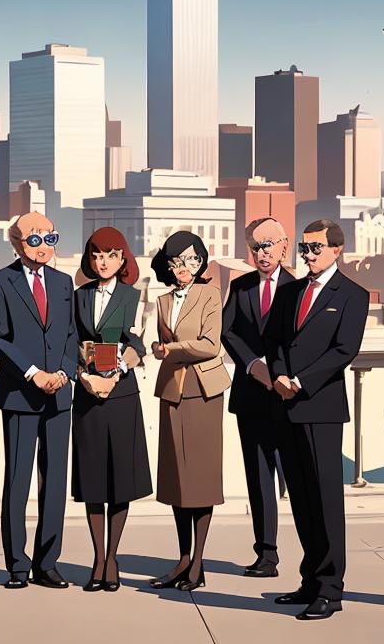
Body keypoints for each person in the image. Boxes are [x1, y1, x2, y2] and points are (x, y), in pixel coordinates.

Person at [263, 219, 368, 621]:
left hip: (320, 408)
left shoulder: (352, 295)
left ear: (337, 250)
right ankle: (309, 580)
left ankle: (330, 588)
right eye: (304, 248)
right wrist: (278, 376)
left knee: (325, 501)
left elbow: (345, 350)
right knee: (302, 499)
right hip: (284, 404)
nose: (308, 255)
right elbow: (272, 339)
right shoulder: (290, 291)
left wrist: (300, 382)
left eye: (316, 248)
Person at [0, 211, 79, 590]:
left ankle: (48, 563)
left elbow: (71, 333)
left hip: (59, 394)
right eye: (34, 239)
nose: (43, 247)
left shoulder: (63, 282)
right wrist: (32, 373)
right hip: (20, 394)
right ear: (16, 242)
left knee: (54, 481)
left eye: (49, 239)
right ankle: (17, 566)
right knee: (18, 481)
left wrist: (64, 372)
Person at [148, 230, 232, 593]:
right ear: (168, 265)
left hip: (204, 390)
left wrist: (171, 348)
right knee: (176, 480)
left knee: (201, 480)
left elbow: (210, 346)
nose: (186, 268)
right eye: (179, 261)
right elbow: (168, 344)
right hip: (173, 389)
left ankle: (198, 562)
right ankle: (183, 559)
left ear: (202, 263)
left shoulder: (209, 294)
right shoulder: (163, 300)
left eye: (193, 261)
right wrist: (158, 346)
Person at [71, 227, 152, 592]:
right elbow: (70, 339)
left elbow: (136, 341)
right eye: (96, 255)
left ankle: (113, 558)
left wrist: (117, 372)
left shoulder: (133, 296)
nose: (102, 262)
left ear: (122, 260)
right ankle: (97, 557)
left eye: (110, 255)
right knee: (92, 480)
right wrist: (82, 375)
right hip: (87, 393)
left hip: (120, 394)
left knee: (119, 479)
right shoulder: (79, 296)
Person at [221, 217, 294, 578]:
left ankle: (316, 557)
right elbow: (227, 331)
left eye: (268, 244)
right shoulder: (241, 286)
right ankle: (266, 554)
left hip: (289, 397)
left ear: (284, 245)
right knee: (259, 477)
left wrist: (278, 369)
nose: (262, 252)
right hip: (251, 395)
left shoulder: (299, 287)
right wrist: (252, 364)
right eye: (255, 246)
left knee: (298, 478)